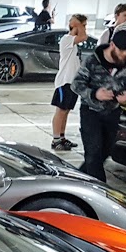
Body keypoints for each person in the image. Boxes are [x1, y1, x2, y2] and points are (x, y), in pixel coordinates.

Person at [71, 30, 126, 182]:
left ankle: (76, 178)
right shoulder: (92, 61)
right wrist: (94, 94)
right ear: (112, 45)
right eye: (121, 50)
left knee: (105, 151)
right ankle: (100, 188)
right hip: (91, 112)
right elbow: (76, 84)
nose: (124, 54)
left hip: (113, 112)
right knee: (93, 152)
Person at [50, 14, 89, 151]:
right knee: (60, 111)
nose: (84, 29)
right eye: (83, 25)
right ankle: (56, 140)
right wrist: (77, 25)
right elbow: (84, 37)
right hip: (64, 81)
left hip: (73, 83)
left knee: (66, 111)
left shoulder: (74, 43)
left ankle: (62, 137)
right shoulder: (66, 39)